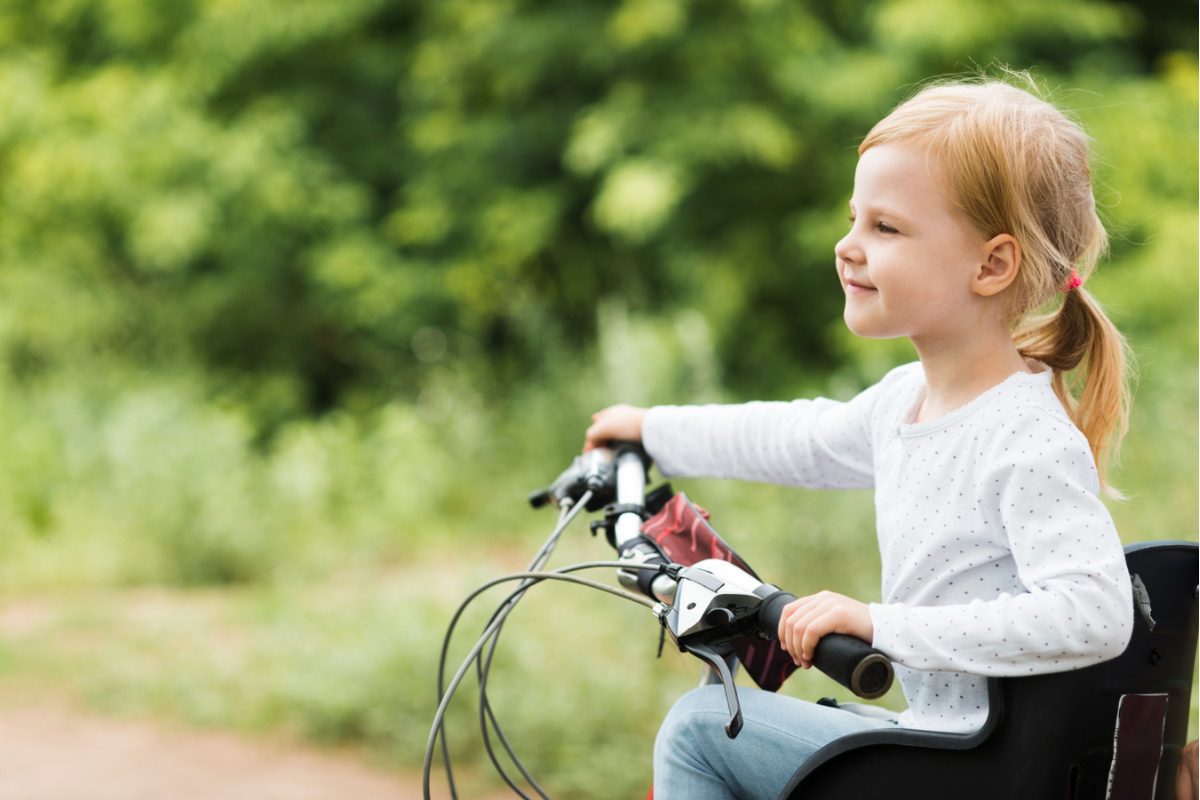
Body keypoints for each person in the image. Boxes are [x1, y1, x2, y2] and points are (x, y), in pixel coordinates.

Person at [583, 76, 1136, 800]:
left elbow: (1093, 612)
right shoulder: (908, 401)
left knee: (700, 731)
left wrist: (882, 624)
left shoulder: (1022, 433)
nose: (848, 247)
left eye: (887, 228)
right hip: (933, 748)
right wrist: (653, 431)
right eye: (855, 219)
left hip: (966, 764)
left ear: (992, 265)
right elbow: (798, 437)